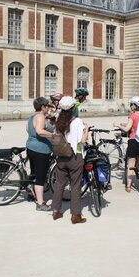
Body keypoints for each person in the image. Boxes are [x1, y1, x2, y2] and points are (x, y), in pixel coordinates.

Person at [51, 96, 89, 224]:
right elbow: (82, 141)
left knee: (59, 184)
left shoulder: (58, 120)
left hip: (61, 156)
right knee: (75, 186)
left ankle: (56, 211)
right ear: (73, 108)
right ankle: (75, 215)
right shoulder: (77, 121)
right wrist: (87, 129)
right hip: (74, 156)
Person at [113, 96, 139, 193]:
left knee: (130, 164)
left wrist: (118, 125)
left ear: (134, 106)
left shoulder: (132, 116)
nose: (130, 106)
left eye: (131, 105)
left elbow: (127, 129)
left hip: (134, 141)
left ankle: (128, 186)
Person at [26, 97, 54, 211]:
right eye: (47, 106)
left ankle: (32, 194)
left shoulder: (32, 116)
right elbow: (39, 131)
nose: (48, 108)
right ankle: (40, 203)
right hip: (40, 150)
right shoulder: (40, 116)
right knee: (40, 177)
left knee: (34, 173)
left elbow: (28, 129)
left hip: (31, 147)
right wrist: (53, 135)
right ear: (42, 107)